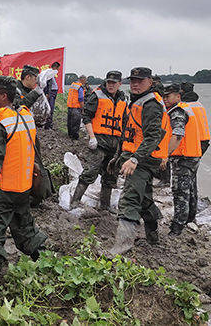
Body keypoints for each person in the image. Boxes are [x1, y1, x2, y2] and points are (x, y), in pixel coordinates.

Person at [0, 76, 47, 293]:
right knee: (26, 231)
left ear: (4, 96)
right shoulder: (25, 116)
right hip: (23, 189)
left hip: (2, 191)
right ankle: (48, 263)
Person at [108, 67, 170, 257]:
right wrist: (119, 156)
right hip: (137, 157)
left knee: (129, 200)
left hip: (144, 160)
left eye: (140, 81)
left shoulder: (151, 104)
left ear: (150, 82)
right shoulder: (138, 101)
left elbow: (153, 137)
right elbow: (129, 132)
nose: (135, 84)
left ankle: (122, 247)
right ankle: (153, 235)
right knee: (144, 200)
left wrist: (134, 159)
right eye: (132, 80)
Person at [70, 71, 126, 213]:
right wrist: (92, 137)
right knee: (91, 172)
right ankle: (75, 201)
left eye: (114, 83)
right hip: (99, 141)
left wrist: (123, 144)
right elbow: (87, 116)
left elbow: (124, 121)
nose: (111, 85)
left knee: (110, 175)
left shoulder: (123, 99)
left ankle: (105, 207)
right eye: (109, 82)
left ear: (120, 84)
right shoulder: (97, 95)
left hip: (115, 143)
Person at [161, 84, 202, 236]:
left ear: (178, 96)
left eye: (168, 96)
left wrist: (166, 154)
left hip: (183, 157)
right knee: (191, 189)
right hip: (193, 154)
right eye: (164, 96)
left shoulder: (178, 112)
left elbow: (178, 135)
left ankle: (177, 227)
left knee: (180, 192)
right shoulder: (185, 108)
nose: (165, 99)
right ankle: (190, 219)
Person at [66, 75, 86, 139]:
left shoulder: (73, 84)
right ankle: (74, 137)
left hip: (70, 106)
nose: (85, 82)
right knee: (76, 123)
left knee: (70, 122)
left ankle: (70, 135)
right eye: (85, 80)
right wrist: (82, 109)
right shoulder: (80, 87)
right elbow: (81, 99)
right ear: (82, 79)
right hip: (76, 107)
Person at [43, 62, 61, 130]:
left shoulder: (52, 74)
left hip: (53, 93)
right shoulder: (49, 74)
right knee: (50, 109)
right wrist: (47, 93)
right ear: (55, 67)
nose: (58, 70)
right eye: (58, 68)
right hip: (50, 93)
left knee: (51, 109)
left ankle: (49, 124)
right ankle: (47, 125)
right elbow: (46, 84)